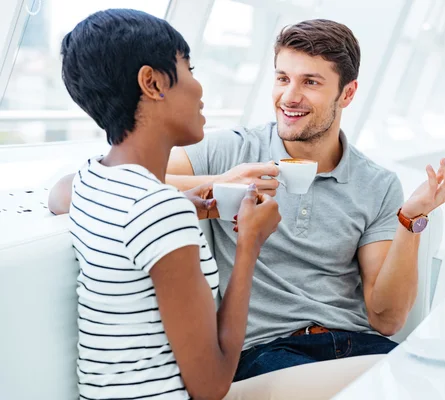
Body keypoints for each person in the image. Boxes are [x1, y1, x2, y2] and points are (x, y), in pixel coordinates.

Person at [50, 18, 445, 383]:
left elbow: (387, 318)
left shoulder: (376, 184)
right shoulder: (230, 151)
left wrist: (410, 219)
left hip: (356, 345)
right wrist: (223, 183)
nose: (289, 96)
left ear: (347, 94)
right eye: (282, 78)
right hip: (268, 354)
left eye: (310, 82)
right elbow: (76, 189)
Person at [58, 9, 281, 400]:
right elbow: (211, 386)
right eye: (189, 68)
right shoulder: (158, 211)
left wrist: (184, 202)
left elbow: (59, 192)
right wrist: (250, 244)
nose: (199, 88)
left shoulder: (93, 179)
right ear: (153, 82)